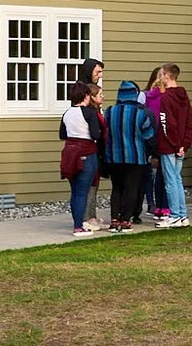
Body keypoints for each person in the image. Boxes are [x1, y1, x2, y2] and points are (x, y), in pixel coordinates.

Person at [103, 79, 155, 232]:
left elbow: (104, 133)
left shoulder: (109, 112)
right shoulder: (141, 114)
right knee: (132, 188)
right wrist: (151, 153)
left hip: (113, 156)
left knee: (117, 188)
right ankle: (126, 220)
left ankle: (114, 220)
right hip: (135, 157)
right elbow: (149, 136)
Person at [147, 64, 192, 227]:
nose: (159, 78)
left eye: (161, 74)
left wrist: (174, 145)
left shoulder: (166, 98)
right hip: (180, 145)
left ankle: (175, 214)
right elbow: (189, 122)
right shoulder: (184, 96)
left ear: (167, 75)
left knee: (171, 181)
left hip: (169, 146)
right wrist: (184, 144)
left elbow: (166, 124)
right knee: (177, 180)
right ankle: (182, 214)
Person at [59, 81, 103, 233]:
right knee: (82, 191)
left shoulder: (67, 113)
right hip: (86, 152)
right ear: (86, 96)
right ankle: (79, 226)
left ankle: (77, 223)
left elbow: (62, 134)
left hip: (69, 153)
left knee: (75, 191)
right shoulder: (89, 113)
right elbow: (96, 134)